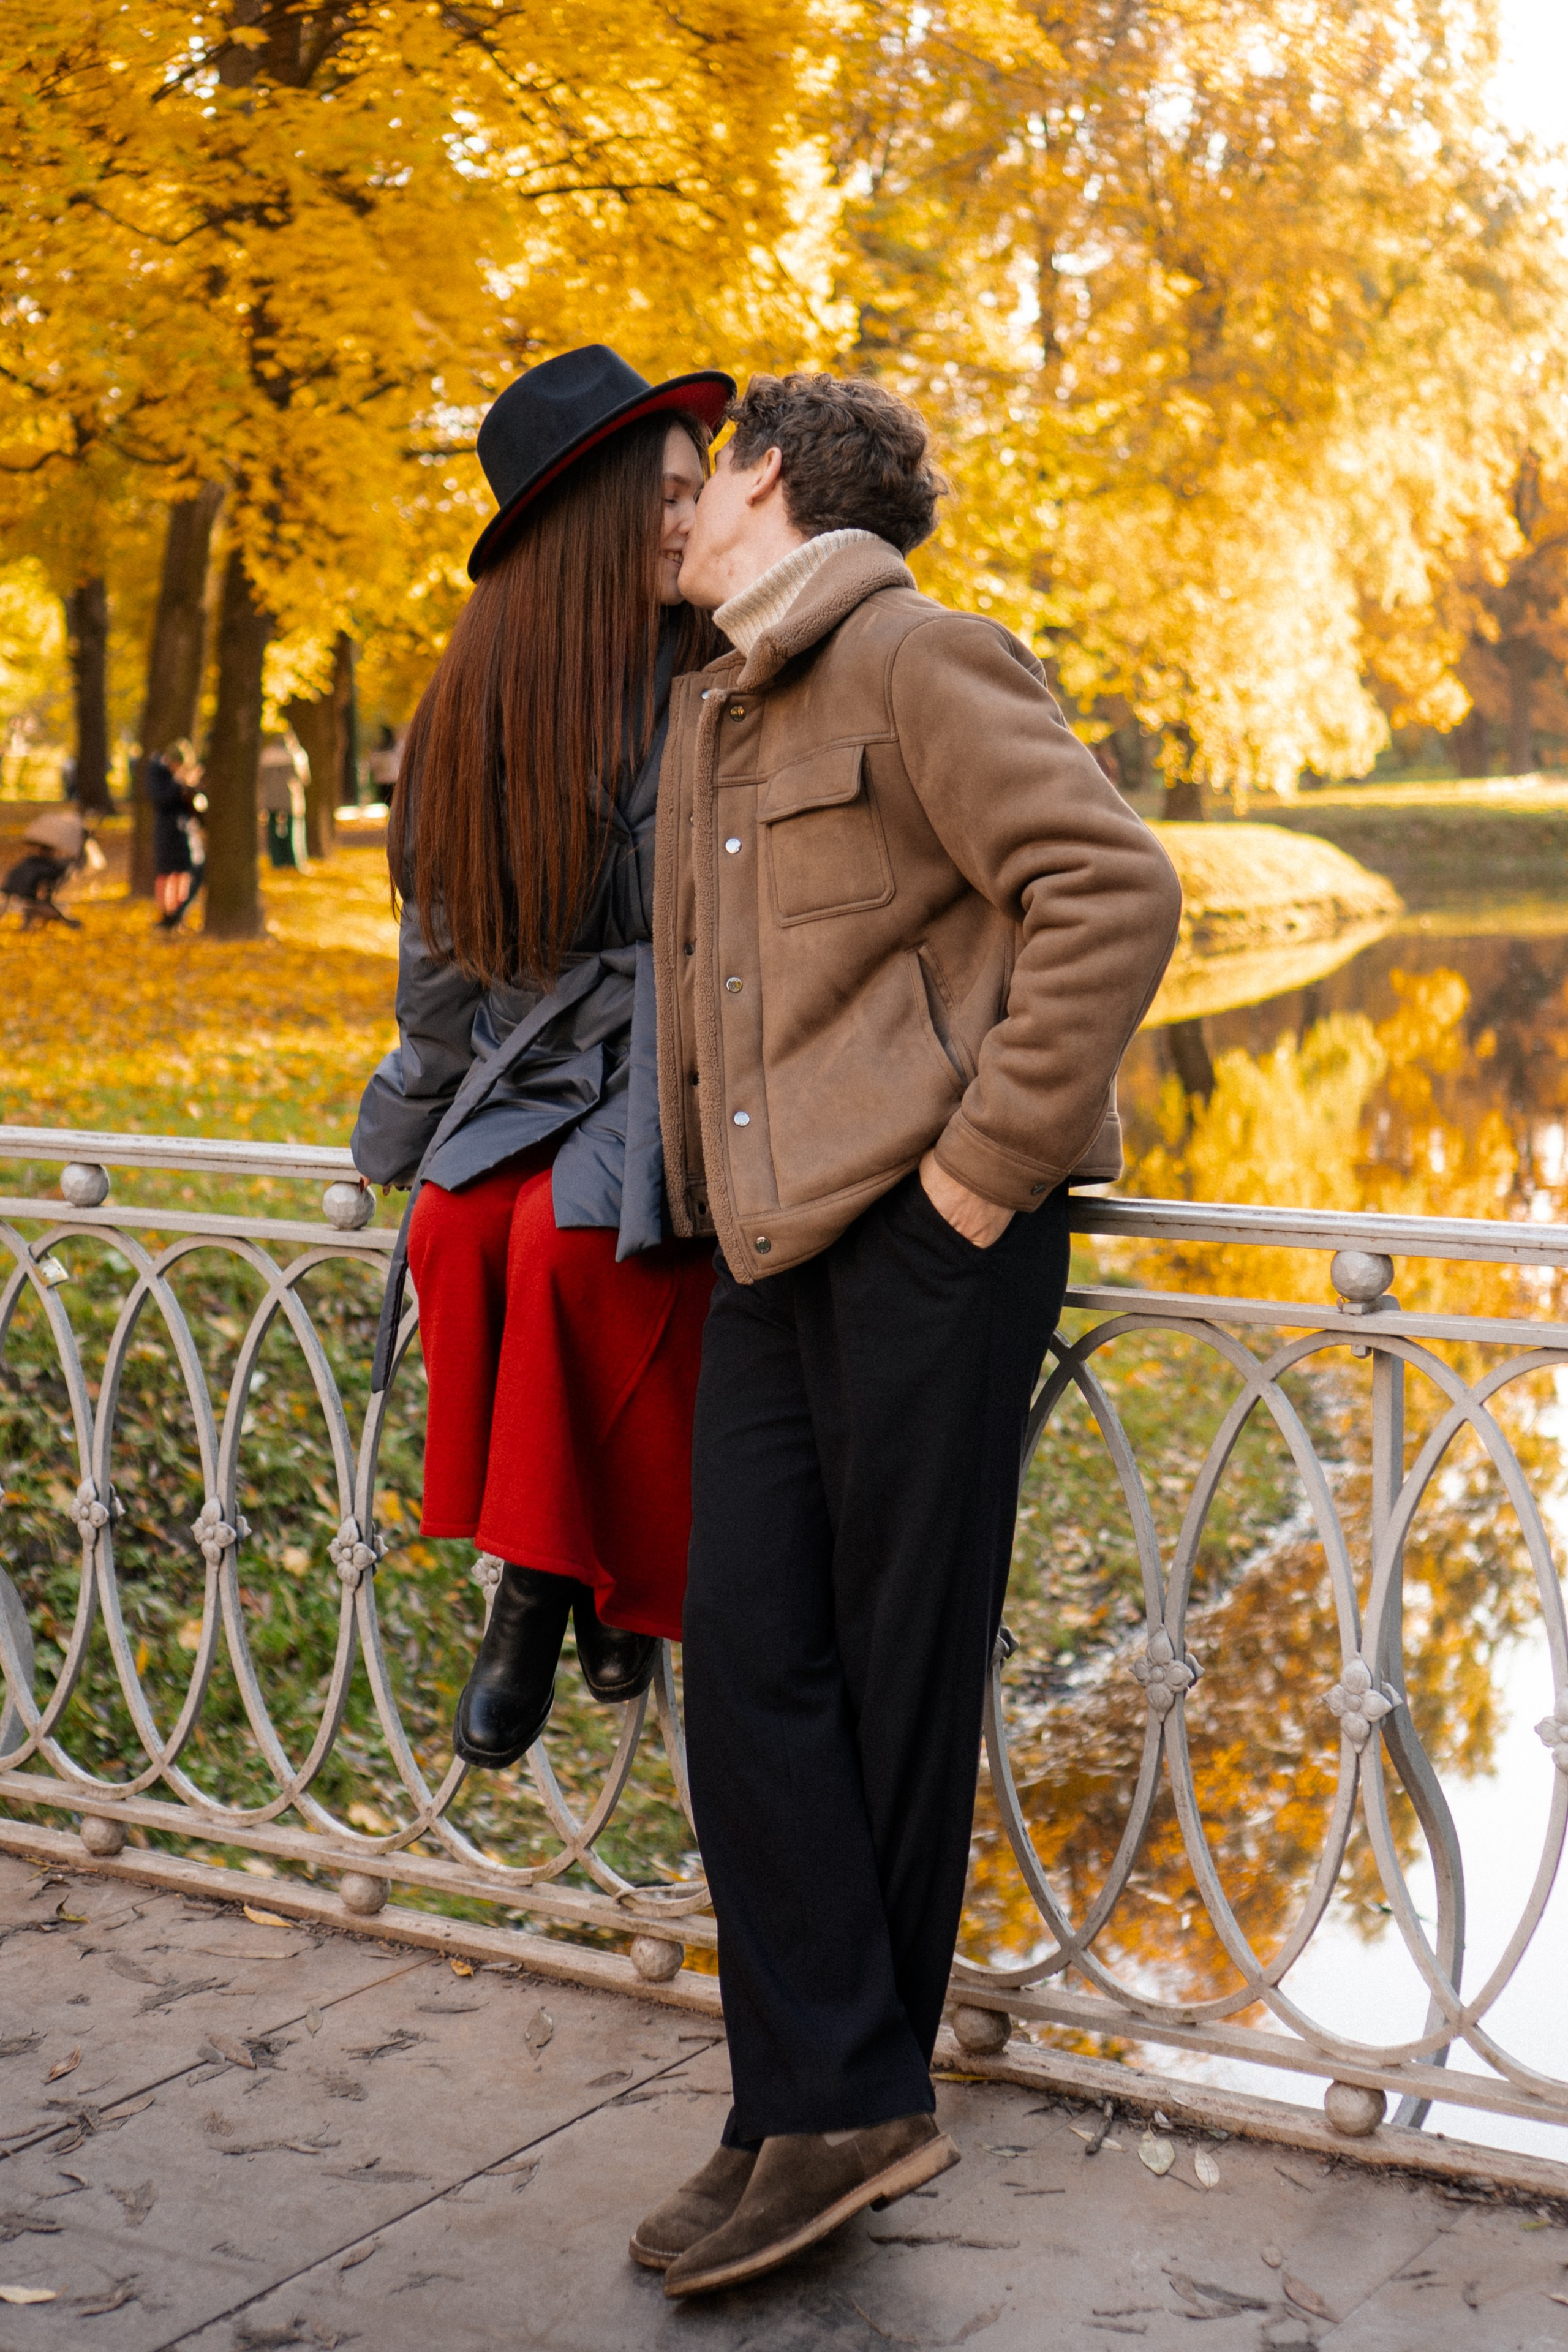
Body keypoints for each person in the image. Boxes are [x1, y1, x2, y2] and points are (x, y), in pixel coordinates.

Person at [632, 374, 1183, 2295]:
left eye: (703, 482)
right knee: (754, 1663)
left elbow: (1106, 889)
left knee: (885, 1675)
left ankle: (826, 2107)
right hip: (773, 1254)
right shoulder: (720, 700)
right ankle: (813, 2095)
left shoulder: (917, 658)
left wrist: (979, 1176)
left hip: (928, 1236)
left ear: (772, 476)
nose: (675, 512)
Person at [351, 344, 734, 1768]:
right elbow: (444, 954)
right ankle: (570, 1569)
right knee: (454, 1227)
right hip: (541, 1052)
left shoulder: (730, 665)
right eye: (671, 497)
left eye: (701, 492)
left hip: (691, 1043)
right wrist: (400, 1127)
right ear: (588, 519)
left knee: (581, 1246)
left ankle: (548, 1587)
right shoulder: (482, 702)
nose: (696, 521)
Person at [145, 740, 199, 929]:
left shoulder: (180, 778)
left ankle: (179, 913)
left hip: (184, 829)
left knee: (183, 871)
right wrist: (178, 784)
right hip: (166, 829)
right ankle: (166, 912)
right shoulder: (159, 773)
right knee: (166, 872)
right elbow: (161, 799)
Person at [258, 734, 307, 868]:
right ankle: (294, 860)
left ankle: (277, 860)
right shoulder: (296, 754)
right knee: (293, 831)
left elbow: (260, 780)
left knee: (273, 833)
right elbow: (303, 778)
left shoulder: (266, 755)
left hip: (270, 800)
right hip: (291, 800)